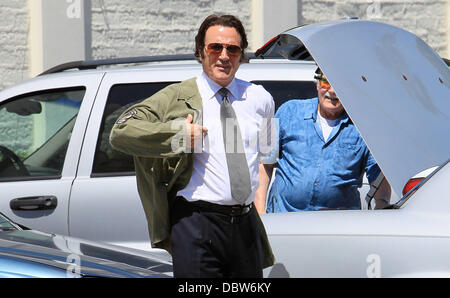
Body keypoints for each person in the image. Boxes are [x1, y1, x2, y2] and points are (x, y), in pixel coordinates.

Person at [110, 14, 275, 278]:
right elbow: (121, 132)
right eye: (215, 47)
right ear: (200, 51)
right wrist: (179, 135)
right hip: (197, 223)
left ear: (241, 54)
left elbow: (268, 154)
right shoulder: (178, 96)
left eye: (232, 49)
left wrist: (259, 206)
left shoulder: (261, 98)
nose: (224, 56)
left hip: (245, 225)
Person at [255, 68, 391, 213]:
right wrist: (261, 214)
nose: (332, 91)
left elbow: (378, 175)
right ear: (317, 84)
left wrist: (382, 203)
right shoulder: (287, 110)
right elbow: (263, 164)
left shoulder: (365, 127)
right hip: (284, 219)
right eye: (326, 82)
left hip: (335, 227)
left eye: (340, 84)